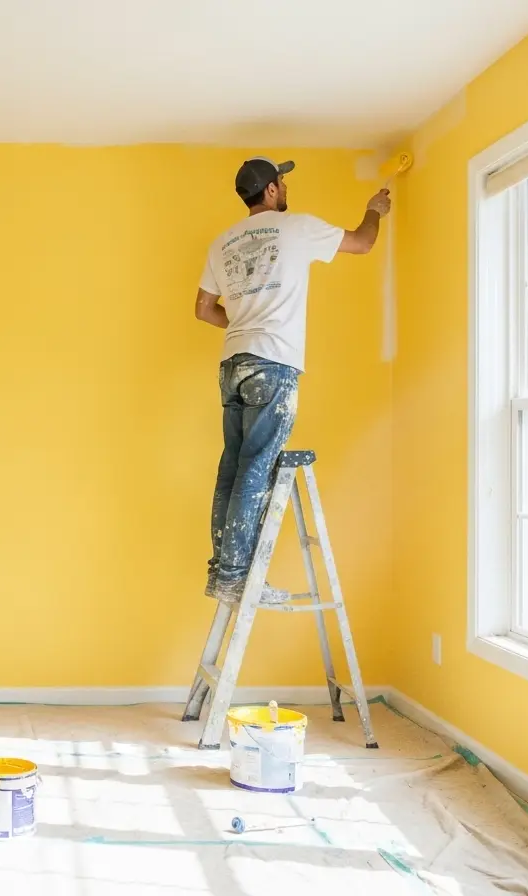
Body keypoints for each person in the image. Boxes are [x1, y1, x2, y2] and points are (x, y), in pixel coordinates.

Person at [195, 156, 391, 604]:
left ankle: (221, 572)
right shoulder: (296, 227)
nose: (284, 188)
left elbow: (204, 308)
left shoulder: (221, 243)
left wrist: (247, 323)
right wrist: (375, 210)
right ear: (269, 190)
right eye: (281, 183)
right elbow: (362, 243)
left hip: (233, 364)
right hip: (273, 363)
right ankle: (238, 579)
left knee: (231, 468)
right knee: (256, 469)